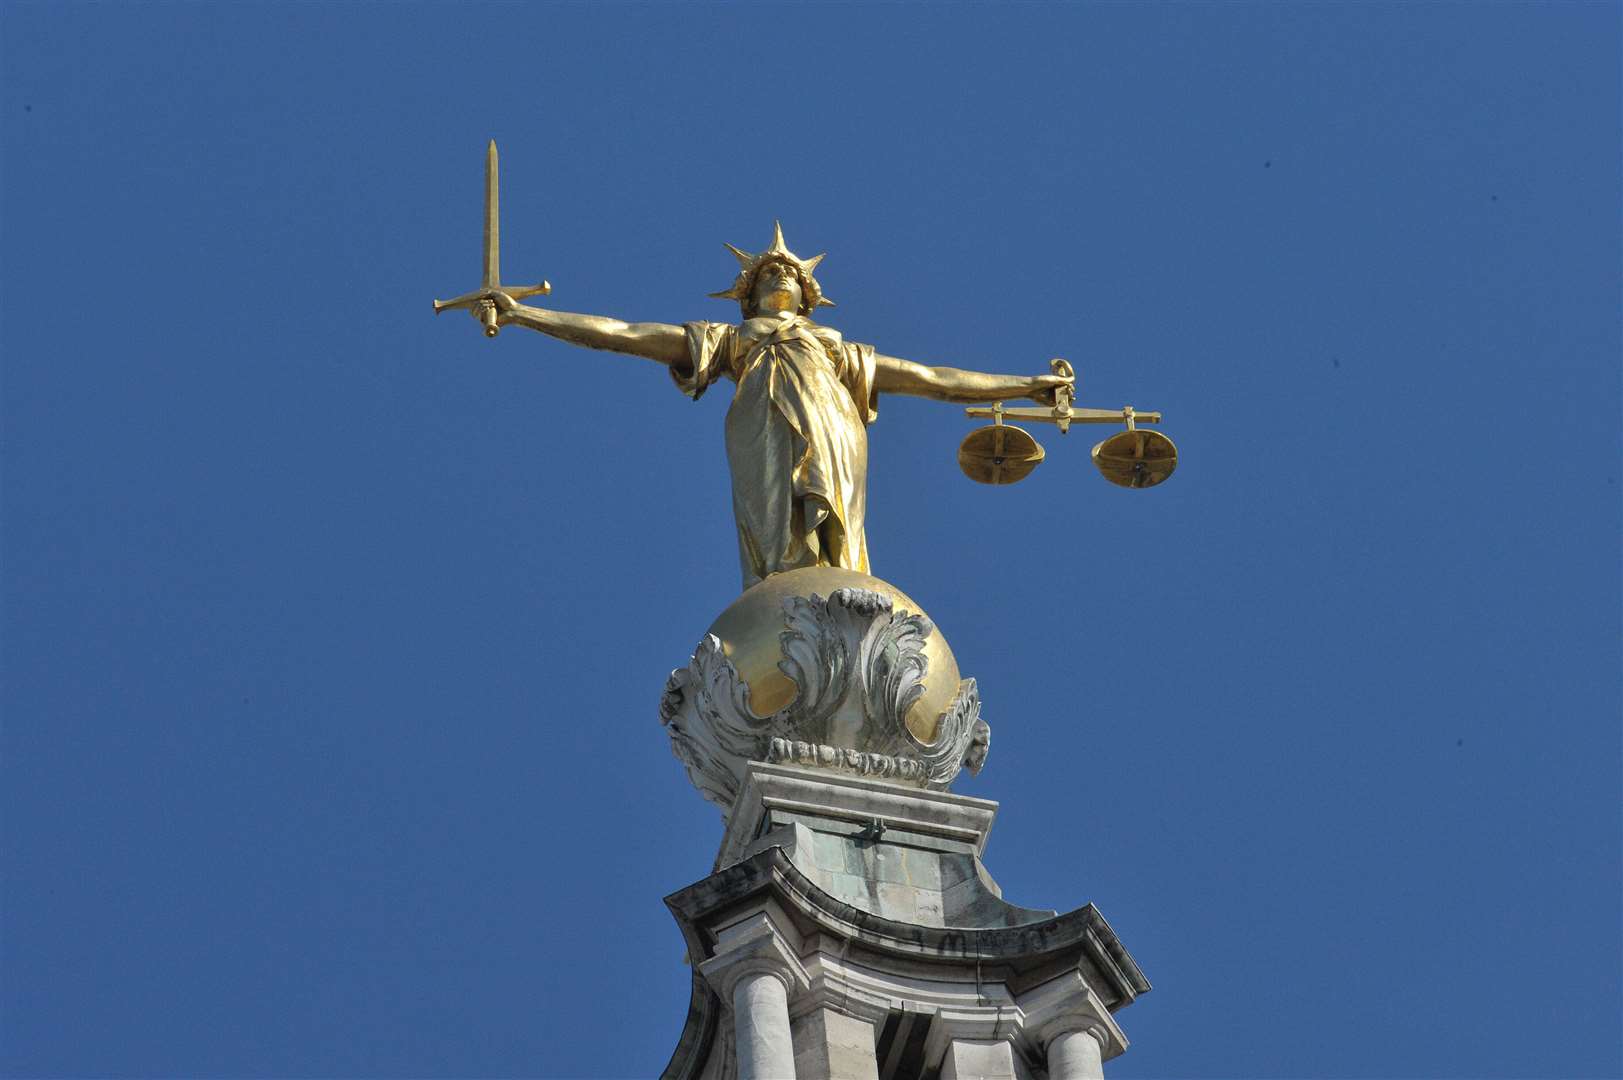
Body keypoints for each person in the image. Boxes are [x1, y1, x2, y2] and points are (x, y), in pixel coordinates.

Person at [478, 223, 1069, 590]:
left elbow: (931, 378)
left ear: (809, 298)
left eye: (789, 272)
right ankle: (781, 585)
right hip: (759, 429)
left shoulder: (835, 348)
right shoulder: (732, 341)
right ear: (750, 294)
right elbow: (627, 333)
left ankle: (836, 578)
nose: (781, 274)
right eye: (769, 273)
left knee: (836, 527)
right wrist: (527, 314)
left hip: (834, 430)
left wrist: (1024, 386)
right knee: (774, 534)